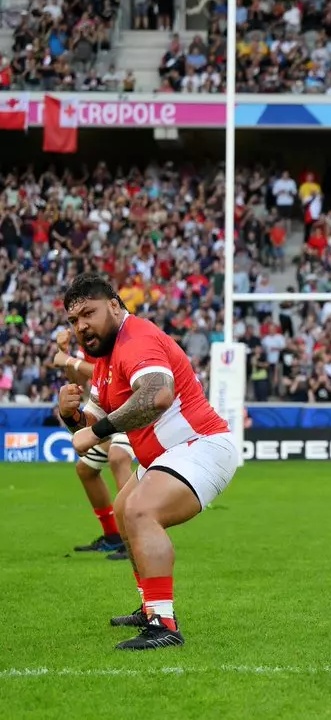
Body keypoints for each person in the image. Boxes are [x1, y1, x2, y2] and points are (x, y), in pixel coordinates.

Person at [59, 272, 236, 650]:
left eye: (88, 313)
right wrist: (70, 416)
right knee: (125, 511)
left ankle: (163, 624)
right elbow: (86, 429)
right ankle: (150, 606)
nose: (81, 326)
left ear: (114, 305)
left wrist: (96, 430)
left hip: (201, 444)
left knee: (139, 511)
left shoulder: (136, 339)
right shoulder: (105, 359)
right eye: (74, 320)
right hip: (171, 453)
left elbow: (156, 395)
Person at [52, 327, 136, 559]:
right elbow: (77, 381)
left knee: (118, 458)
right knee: (85, 469)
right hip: (108, 414)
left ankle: (136, 538)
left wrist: (68, 359)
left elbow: (108, 372)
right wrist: (65, 352)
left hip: (132, 411)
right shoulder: (88, 344)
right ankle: (113, 537)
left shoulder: (118, 337)